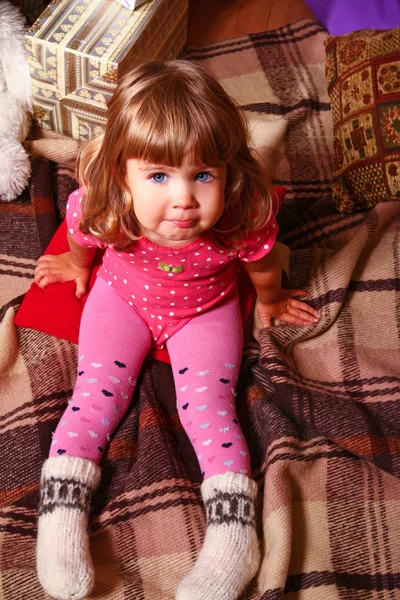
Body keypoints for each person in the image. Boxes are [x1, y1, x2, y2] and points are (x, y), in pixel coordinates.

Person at [34, 59, 319, 600]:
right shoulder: (106, 201)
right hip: (122, 302)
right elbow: (79, 234)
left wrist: (272, 297)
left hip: (203, 312)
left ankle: (234, 534)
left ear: (228, 172)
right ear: (124, 174)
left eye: (202, 174)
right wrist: (75, 265)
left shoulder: (242, 210)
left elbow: (260, 264)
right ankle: (62, 505)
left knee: (208, 406)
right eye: (159, 176)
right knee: (95, 396)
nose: (184, 198)